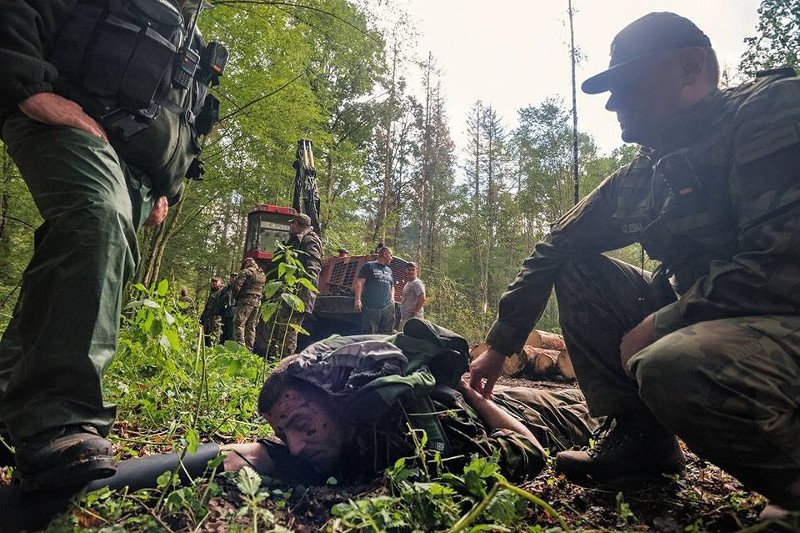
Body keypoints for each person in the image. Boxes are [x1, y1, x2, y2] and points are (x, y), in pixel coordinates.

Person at [468, 11, 800, 516]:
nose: (613, 102)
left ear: (690, 68)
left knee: (672, 365)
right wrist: (500, 345)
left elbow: (784, 267)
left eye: (627, 83)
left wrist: (663, 323)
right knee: (577, 268)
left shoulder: (772, 113)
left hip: (785, 318)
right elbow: (555, 246)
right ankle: (639, 442)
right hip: (726, 322)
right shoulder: (645, 173)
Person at [0, 0, 221, 490]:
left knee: (84, 268)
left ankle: (6, 405)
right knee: (99, 218)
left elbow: (181, 117)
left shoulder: (191, 34)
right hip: (71, 123)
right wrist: (28, 88)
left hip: (139, 174)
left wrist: (167, 185)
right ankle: (56, 420)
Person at [265, 214, 323, 358]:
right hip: (286, 294)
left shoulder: (310, 240)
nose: (290, 226)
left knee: (288, 335)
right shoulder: (294, 241)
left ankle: (285, 364)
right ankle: (274, 362)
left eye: (292, 223)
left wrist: (302, 292)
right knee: (277, 330)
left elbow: (313, 268)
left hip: (297, 295)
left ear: (298, 224)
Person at [354, 246, 395, 334]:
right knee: (369, 334)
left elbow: (392, 286)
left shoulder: (389, 270)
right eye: (391, 255)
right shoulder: (369, 265)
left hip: (387, 308)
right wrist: (357, 300)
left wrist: (392, 298)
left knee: (387, 334)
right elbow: (359, 282)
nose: (392, 258)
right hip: (371, 306)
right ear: (385, 254)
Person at [231, 258, 266, 351]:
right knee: (251, 326)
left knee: (239, 323)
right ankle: (249, 349)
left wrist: (237, 298)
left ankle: (240, 349)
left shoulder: (246, 272)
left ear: (246, 263)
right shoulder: (262, 274)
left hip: (246, 301)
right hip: (257, 303)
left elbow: (236, 286)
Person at [399, 262, 426, 328]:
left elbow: (422, 298)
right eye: (409, 270)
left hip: (414, 318)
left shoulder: (417, 283)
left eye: (413, 270)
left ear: (416, 271)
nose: (411, 272)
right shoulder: (408, 283)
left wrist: (414, 312)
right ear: (406, 270)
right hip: (407, 317)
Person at [200, 277, 224, 347]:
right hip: (208, 316)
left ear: (220, 283)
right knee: (205, 333)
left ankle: (212, 348)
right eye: (213, 282)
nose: (214, 283)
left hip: (215, 317)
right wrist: (202, 317)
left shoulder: (222, 291)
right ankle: (205, 348)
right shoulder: (212, 292)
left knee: (213, 335)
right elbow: (207, 305)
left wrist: (216, 313)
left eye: (216, 282)